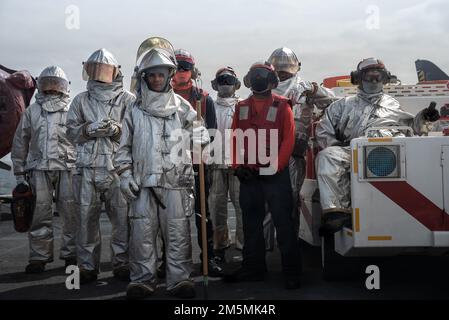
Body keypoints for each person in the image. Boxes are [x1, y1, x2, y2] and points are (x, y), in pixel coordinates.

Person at [114, 37, 207, 299]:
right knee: (142, 236)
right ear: (145, 77)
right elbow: (123, 149)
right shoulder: (134, 110)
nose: (156, 79)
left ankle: (179, 280)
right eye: (152, 74)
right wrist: (124, 175)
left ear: (170, 75)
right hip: (143, 183)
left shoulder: (183, 107)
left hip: (176, 182)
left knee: (178, 234)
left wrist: (201, 137)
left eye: (161, 74)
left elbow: (200, 134)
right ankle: (143, 279)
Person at [316, 57, 440, 235]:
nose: (374, 80)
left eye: (378, 76)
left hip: (391, 153)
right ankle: (337, 212)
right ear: (358, 78)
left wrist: (426, 117)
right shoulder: (342, 105)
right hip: (354, 153)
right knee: (328, 155)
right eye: (369, 76)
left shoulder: (392, 103)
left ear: (385, 78)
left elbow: (412, 128)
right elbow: (323, 131)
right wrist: (338, 146)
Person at [225, 61, 302, 290]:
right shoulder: (242, 106)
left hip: (275, 176)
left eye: (263, 75)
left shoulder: (282, 106)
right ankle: (253, 268)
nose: (259, 79)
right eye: (255, 75)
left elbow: (288, 139)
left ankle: (292, 272)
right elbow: (235, 135)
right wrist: (238, 165)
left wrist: (276, 167)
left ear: (271, 81)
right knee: (251, 224)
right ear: (250, 80)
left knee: (283, 224)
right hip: (249, 175)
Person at [66, 48, 135, 284]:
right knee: (85, 219)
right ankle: (86, 266)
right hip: (86, 168)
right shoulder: (80, 100)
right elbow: (70, 132)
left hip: (118, 168)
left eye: (103, 69)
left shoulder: (128, 99)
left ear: (115, 71)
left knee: (122, 219)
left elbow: (137, 133)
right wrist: (87, 130)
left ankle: (122, 262)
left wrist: (117, 131)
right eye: (94, 69)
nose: (99, 74)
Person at [11, 66, 77, 273]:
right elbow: (20, 141)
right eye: (47, 84)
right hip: (38, 168)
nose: (51, 89)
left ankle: (71, 254)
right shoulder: (32, 111)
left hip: (68, 167)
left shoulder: (74, 109)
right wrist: (20, 171)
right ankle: (39, 257)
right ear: (40, 86)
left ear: (64, 87)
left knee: (71, 213)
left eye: (55, 84)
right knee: (40, 214)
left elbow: (82, 139)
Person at [268, 47, 337, 237]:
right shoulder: (265, 86)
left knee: (290, 201)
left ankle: (290, 247)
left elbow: (333, 102)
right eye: (278, 68)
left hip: (293, 153)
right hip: (268, 153)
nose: (281, 72)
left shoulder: (304, 87)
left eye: (285, 68)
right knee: (266, 203)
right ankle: (266, 252)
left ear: (295, 68)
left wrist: (315, 89)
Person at [171, 49, 223, 276]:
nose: (181, 72)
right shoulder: (161, 97)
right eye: (177, 67)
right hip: (170, 164)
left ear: (192, 70)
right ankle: (169, 261)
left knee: (203, 213)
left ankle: (208, 258)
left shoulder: (204, 98)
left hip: (196, 163)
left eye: (185, 67)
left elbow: (210, 134)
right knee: (171, 215)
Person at [208, 67, 244, 262]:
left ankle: (243, 244)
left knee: (241, 206)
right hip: (215, 165)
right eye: (222, 80)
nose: (225, 84)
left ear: (236, 84)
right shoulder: (209, 106)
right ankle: (221, 244)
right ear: (216, 84)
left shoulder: (243, 106)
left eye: (229, 80)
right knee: (217, 207)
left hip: (238, 166)